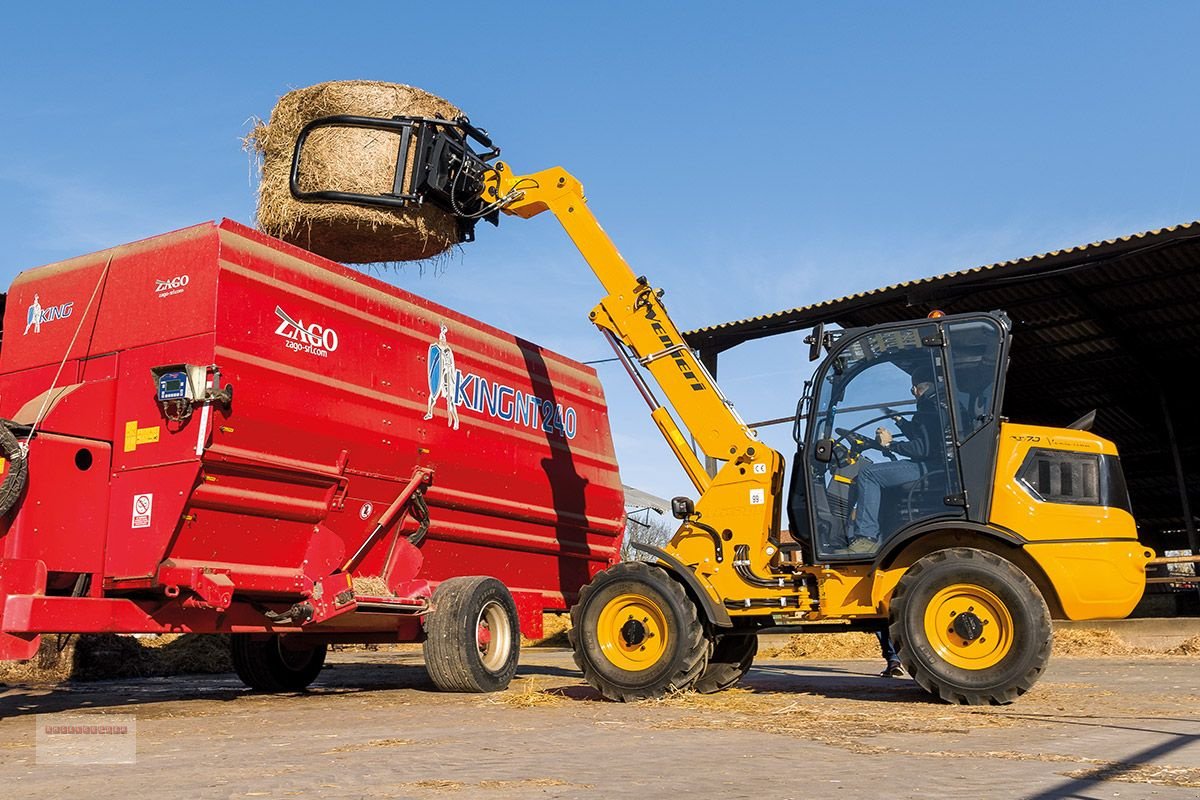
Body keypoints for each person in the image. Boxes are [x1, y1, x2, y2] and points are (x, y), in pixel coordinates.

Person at [845, 364, 941, 554]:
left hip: (930, 467)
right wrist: (900, 420)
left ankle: (866, 539)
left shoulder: (930, 404)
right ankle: (884, 535)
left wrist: (890, 445)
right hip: (935, 465)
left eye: (913, 389)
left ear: (916, 388)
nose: (913, 393)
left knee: (869, 474)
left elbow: (922, 448)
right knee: (882, 477)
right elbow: (924, 438)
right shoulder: (939, 403)